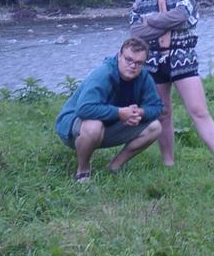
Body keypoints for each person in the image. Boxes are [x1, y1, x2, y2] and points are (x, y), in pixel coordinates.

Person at [129, 0, 214, 167]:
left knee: (198, 110)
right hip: (154, 62)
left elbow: (182, 16)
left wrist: (150, 20)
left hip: (183, 57)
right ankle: (168, 162)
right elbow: (136, 32)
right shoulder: (140, 2)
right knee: (163, 114)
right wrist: (167, 22)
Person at [55, 37, 163, 182]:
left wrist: (140, 112)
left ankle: (114, 167)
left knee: (155, 127)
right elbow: (84, 109)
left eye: (139, 63)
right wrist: (120, 113)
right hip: (72, 129)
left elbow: (157, 107)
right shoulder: (103, 73)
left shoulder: (144, 77)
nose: (133, 66)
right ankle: (83, 171)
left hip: (108, 125)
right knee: (94, 126)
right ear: (119, 56)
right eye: (128, 60)